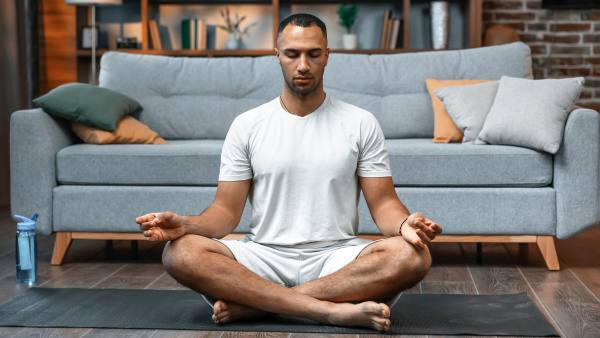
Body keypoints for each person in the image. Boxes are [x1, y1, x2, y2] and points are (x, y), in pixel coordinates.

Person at [136, 13, 442, 333]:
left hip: (337, 258)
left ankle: (257, 305)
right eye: (292, 54)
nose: (303, 65)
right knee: (180, 253)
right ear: (277, 55)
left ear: (327, 56)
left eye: (313, 53)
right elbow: (225, 213)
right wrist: (185, 224)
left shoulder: (360, 122)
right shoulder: (248, 125)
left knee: (414, 257)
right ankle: (329, 311)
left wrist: (405, 223)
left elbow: (383, 205)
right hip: (263, 255)